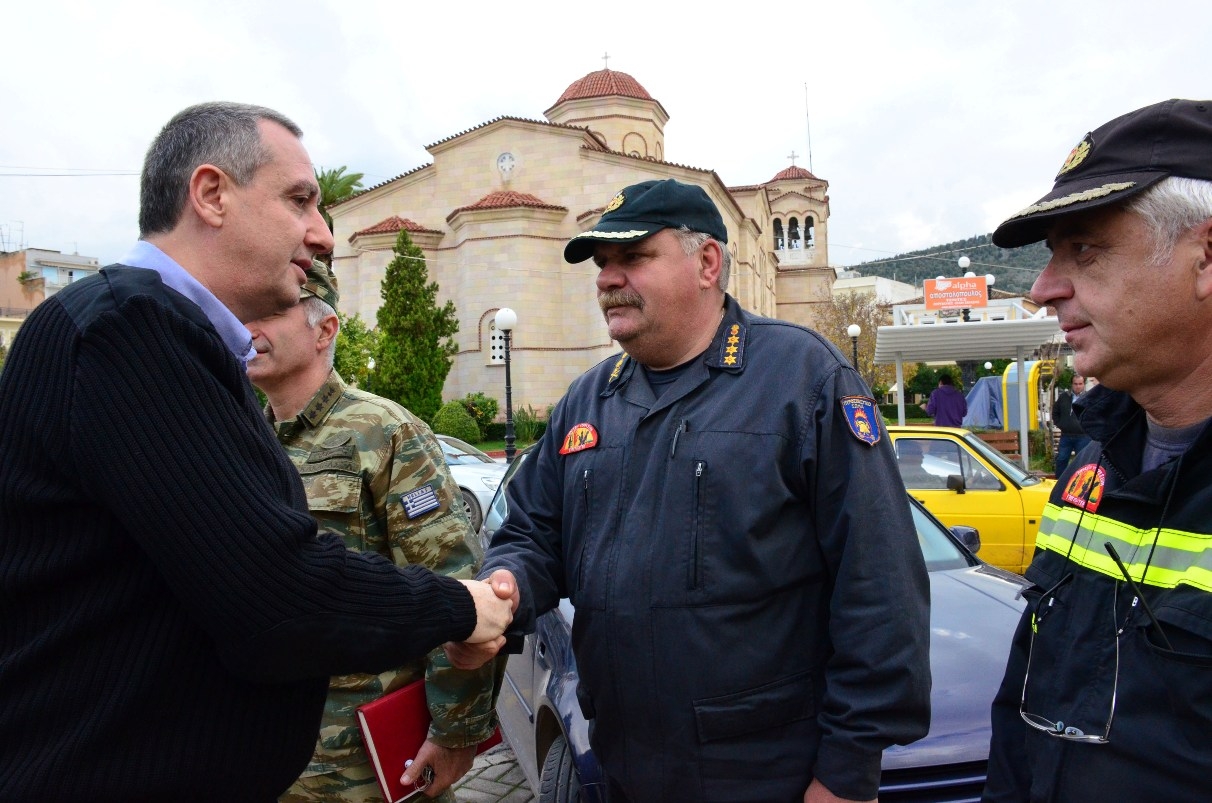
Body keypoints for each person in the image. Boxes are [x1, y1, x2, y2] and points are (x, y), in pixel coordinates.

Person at [0, 102, 512, 802]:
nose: (324, 235)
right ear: (211, 194)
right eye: (301, 200)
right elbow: (277, 598)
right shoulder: (132, 328)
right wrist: (461, 608)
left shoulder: (154, 335)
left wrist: (453, 715)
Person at [451, 179, 931, 802]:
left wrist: (847, 772)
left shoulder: (803, 379)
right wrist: (505, 589)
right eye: (603, 264)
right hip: (624, 760)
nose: (607, 278)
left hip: (763, 773)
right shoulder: (588, 399)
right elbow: (534, 532)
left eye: (633, 258)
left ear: (707, 263)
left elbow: (879, 582)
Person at [983, 99, 1212, 802]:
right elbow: (1024, 715)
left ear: (1207, 257)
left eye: (1084, 248)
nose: (1045, 289)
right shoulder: (1092, 457)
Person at [246, 262, 499, 802]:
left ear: (324, 330)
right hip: (268, 750)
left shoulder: (385, 431)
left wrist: (455, 733)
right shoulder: (244, 438)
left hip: (366, 762)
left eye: (268, 314)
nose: (247, 330)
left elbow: (453, 584)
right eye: (242, 314)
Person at [1051, 374, 1090, 476]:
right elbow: (1055, 411)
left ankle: (1080, 484)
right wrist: (1060, 424)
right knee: (1061, 459)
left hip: (1083, 436)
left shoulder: (1089, 397)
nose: (1078, 386)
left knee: (1082, 462)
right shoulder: (1064, 396)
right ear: (1072, 384)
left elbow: (1095, 414)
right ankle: (1059, 483)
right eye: (1075, 384)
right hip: (1066, 435)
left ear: (1084, 384)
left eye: (1080, 384)